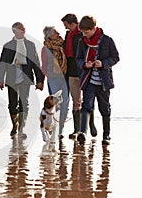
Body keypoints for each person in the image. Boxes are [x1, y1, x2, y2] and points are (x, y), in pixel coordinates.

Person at [76, 16, 119, 145]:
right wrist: (85, 64)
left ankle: (106, 135)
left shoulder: (107, 41)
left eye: (86, 32)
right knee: (86, 106)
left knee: (104, 108)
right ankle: (82, 133)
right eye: (82, 32)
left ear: (94, 28)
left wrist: (103, 63)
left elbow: (116, 57)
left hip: (104, 82)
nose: (84, 34)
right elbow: (78, 59)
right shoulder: (82, 42)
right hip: (88, 80)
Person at [0, 22, 44, 138]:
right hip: (12, 77)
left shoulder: (30, 45)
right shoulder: (8, 45)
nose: (23, 30)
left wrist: (40, 80)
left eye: (24, 28)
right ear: (14, 31)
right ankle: (15, 125)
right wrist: (0, 80)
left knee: (24, 103)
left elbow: (36, 63)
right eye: (20, 29)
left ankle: (22, 128)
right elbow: (2, 63)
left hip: (25, 77)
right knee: (12, 104)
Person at [61, 14, 97, 139]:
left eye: (66, 25)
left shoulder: (82, 34)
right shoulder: (67, 35)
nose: (65, 28)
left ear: (72, 23)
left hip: (84, 70)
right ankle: (77, 130)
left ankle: (91, 124)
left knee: (87, 99)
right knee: (76, 101)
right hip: (71, 71)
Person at [41, 26, 69, 140]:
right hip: (52, 77)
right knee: (55, 104)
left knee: (65, 104)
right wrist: (41, 81)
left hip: (64, 77)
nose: (58, 33)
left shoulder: (63, 44)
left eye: (57, 31)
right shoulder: (45, 48)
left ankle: (61, 130)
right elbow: (43, 65)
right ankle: (55, 127)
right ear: (49, 35)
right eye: (55, 32)